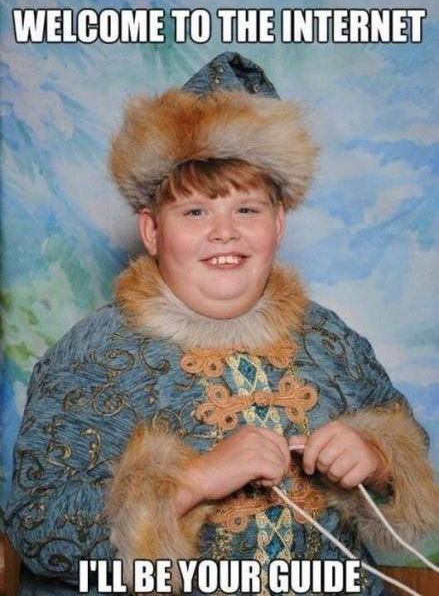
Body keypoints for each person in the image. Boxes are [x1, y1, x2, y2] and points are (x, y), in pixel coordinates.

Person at [4, 52, 438, 596]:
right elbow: (37, 526)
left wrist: (377, 458)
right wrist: (193, 481)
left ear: (278, 225)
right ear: (152, 232)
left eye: (247, 210)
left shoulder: (331, 340)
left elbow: (408, 444)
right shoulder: (90, 357)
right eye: (195, 212)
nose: (224, 231)